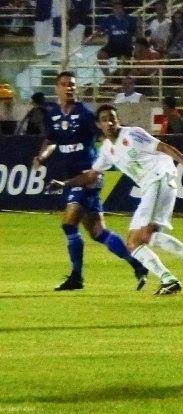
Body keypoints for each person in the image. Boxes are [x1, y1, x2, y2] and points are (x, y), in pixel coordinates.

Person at [47, 105, 183, 295]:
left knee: (141, 237)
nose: (109, 123)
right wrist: (64, 183)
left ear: (118, 120)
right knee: (134, 243)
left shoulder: (132, 134)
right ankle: (172, 277)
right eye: (104, 119)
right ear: (98, 125)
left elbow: (165, 147)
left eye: (112, 118)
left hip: (160, 178)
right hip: (152, 185)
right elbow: (91, 176)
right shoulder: (107, 149)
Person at [32, 72, 148, 291]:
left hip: (87, 177)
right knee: (98, 233)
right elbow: (50, 141)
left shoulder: (85, 114)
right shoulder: (53, 114)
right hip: (74, 178)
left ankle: (76, 277)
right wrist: (42, 156)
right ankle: (138, 265)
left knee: (68, 224)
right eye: (64, 84)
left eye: (72, 85)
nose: (69, 88)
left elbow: (106, 135)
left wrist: (121, 153)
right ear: (56, 87)